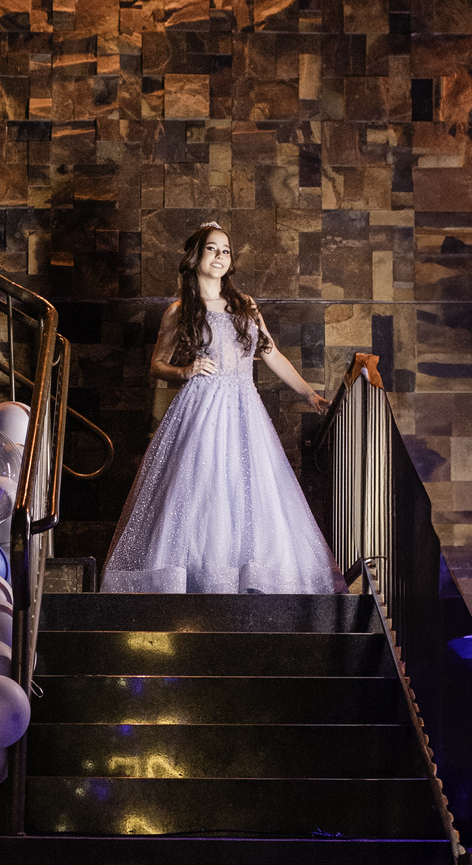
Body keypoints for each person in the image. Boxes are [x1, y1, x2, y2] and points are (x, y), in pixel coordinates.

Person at [100, 224, 348, 595]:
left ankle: (249, 576)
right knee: (203, 487)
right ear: (195, 257)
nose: (220, 256)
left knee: (249, 487)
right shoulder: (180, 311)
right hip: (202, 408)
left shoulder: (245, 305)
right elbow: (157, 365)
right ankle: (201, 577)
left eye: (226, 251)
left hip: (244, 407)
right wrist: (186, 370)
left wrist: (310, 395)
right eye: (212, 249)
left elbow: (271, 354)